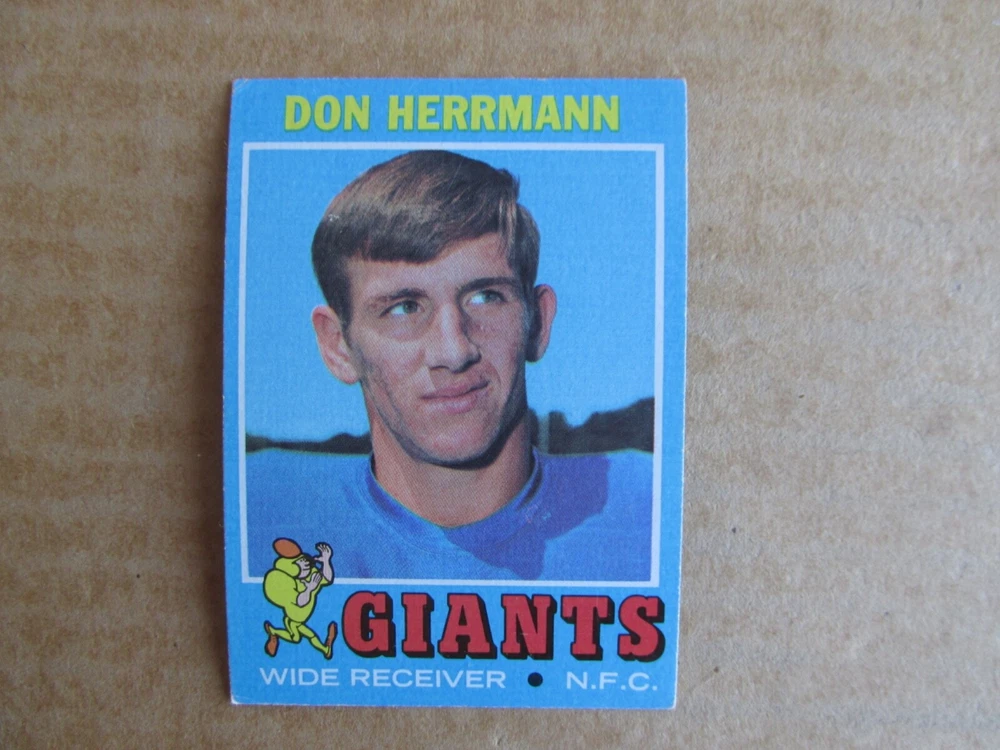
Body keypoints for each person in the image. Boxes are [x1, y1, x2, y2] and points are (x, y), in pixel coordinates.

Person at [247, 150, 652, 581]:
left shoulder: (645, 510)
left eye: (485, 297)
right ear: (338, 347)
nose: (453, 351)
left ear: (538, 322)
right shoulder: (260, 511)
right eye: (404, 308)